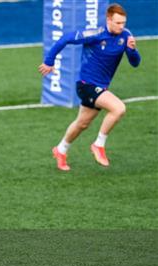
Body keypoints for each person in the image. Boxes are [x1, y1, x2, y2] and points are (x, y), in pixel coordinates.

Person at [39, 3, 141, 171]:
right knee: (118, 108)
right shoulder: (95, 34)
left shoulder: (126, 35)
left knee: (82, 124)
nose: (121, 26)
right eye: (118, 23)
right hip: (86, 85)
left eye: (123, 23)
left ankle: (60, 149)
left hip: (101, 87)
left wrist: (132, 50)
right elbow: (65, 38)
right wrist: (49, 61)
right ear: (108, 19)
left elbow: (135, 63)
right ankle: (98, 145)